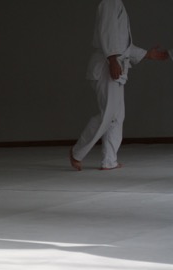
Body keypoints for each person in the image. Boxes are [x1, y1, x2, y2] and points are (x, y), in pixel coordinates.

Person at [70, 0, 168, 171]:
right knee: (108, 114)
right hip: (107, 66)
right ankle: (77, 152)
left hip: (114, 64)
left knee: (117, 116)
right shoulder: (110, 2)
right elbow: (106, 31)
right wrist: (112, 59)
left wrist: (147, 54)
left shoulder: (117, 3)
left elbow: (123, 45)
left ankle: (109, 160)